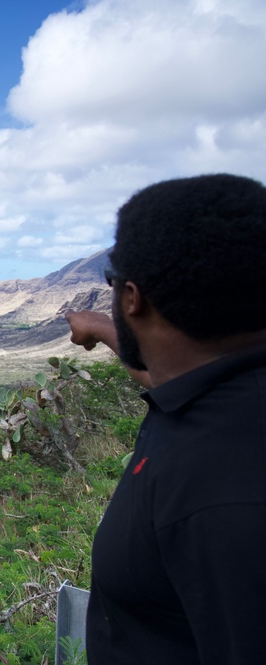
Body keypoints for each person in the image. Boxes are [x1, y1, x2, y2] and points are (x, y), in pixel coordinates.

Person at [64, 173, 266, 664]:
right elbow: (170, 371)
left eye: (113, 288)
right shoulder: (231, 390)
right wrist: (110, 330)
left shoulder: (223, 501)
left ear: (133, 297)